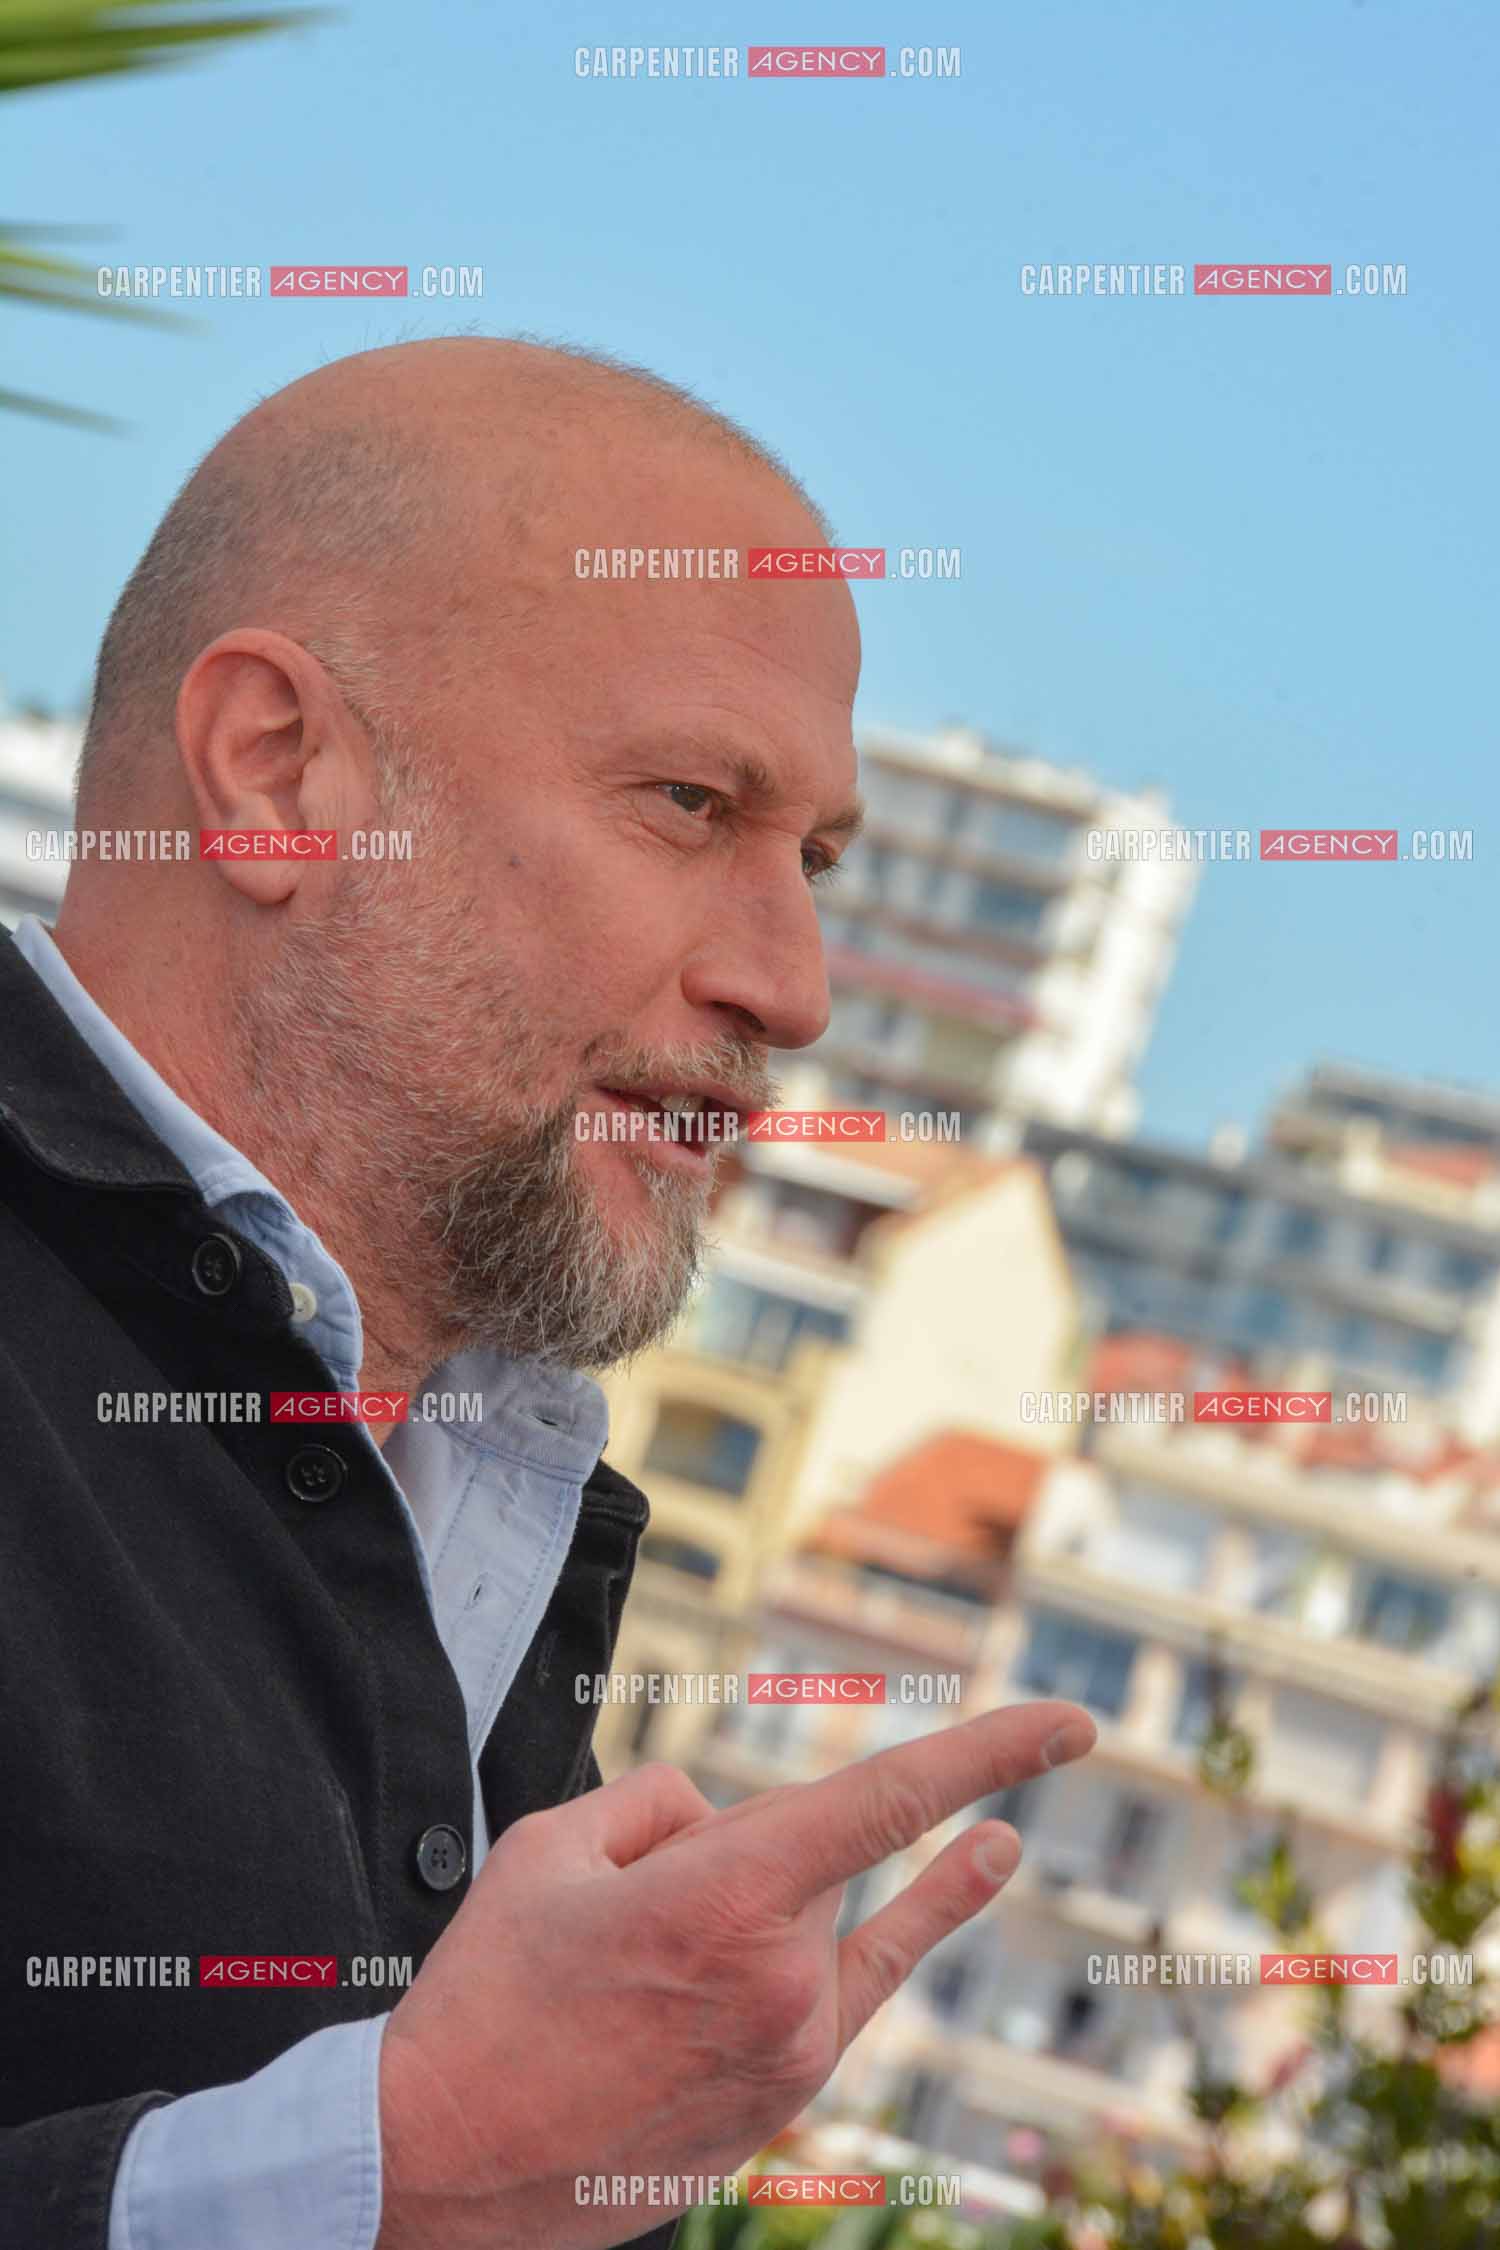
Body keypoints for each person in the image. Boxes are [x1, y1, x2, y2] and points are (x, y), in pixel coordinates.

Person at [0, 335, 1098, 2250]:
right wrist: (399, 2172)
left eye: (818, 856)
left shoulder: (488, 1482)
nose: (796, 983)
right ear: (273, 768)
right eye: (689, 803)